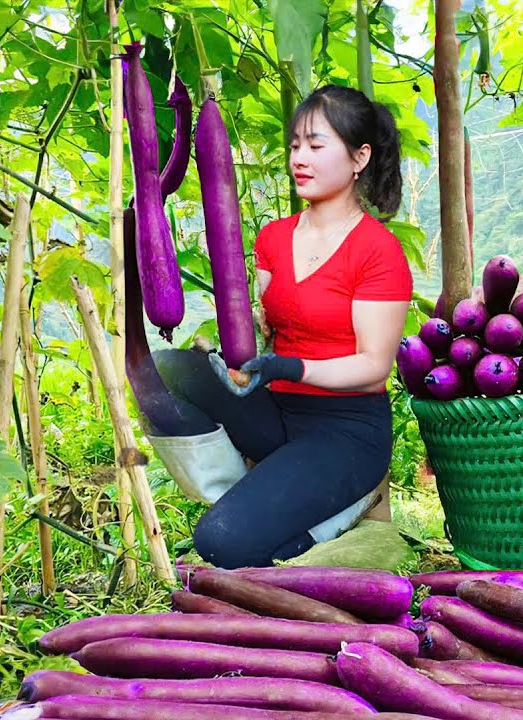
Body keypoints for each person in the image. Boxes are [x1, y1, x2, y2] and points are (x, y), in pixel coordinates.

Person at [151, 84, 412, 569]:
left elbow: (375, 367)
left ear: (359, 158)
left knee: (221, 544)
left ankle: (330, 516)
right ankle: (251, 498)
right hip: (274, 412)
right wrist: (247, 330)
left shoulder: (378, 252)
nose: (300, 158)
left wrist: (288, 366)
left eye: (316, 145)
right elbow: (265, 320)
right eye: (295, 145)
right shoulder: (274, 237)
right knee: (163, 372)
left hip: (344, 432)